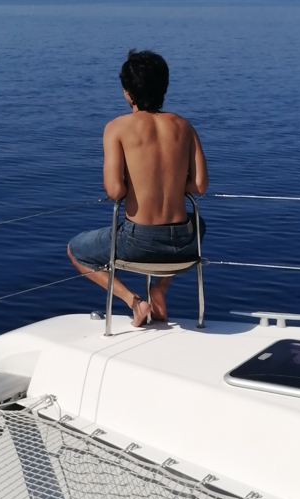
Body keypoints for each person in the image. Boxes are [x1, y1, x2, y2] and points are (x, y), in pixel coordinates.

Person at [68, 49, 208, 328]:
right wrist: (170, 183)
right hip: (182, 243)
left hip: (138, 241)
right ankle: (160, 288)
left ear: (127, 92)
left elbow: (115, 191)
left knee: (76, 251)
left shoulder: (117, 128)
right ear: (164, 87)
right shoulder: (184, 126)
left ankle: (135, 301)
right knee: (199, 224)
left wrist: (142, 184)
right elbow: (200, 186)